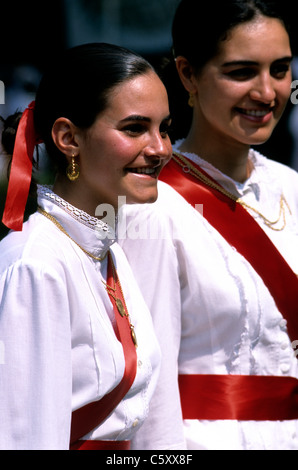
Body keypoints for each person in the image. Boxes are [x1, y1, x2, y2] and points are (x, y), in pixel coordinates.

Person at [119, 0, 298, 450]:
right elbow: (146, 384)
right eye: (241, 72)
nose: (266, 92)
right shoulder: (149, 205)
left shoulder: (293, 188)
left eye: (280, 69)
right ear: (187, 75)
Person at [0, 42, 173, 450]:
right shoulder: (36, 266)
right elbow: (27, 437)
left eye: (164, 128)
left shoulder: (104, 249)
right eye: (135, 128)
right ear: (68, 138)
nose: (160, 149)